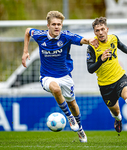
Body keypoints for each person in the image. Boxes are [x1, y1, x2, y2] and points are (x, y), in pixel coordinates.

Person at [22, 11, 98, 143]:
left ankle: (80, 128)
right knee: (55, 89)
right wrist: (25, 52)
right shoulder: (40, 36)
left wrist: (90, 40)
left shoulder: (66, 36)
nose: (57, 27)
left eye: (59, 24)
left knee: (73, 104)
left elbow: (82, 39)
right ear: (48, 25)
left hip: (65, 76)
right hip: (47, 76)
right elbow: (28, 31)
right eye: (54, 24)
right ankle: (69, 117)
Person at [86, 17, 127, 141]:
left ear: (107, 29)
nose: (100, 32)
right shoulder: (92, 47)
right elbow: (90, 69)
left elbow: (122, 46)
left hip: (120, 77)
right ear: (94, 33)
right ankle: (118, 119)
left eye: (102, 29)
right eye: (97, 30)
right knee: (115, 111)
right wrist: (101, 60)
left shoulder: (114, 38)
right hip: (105, 85)